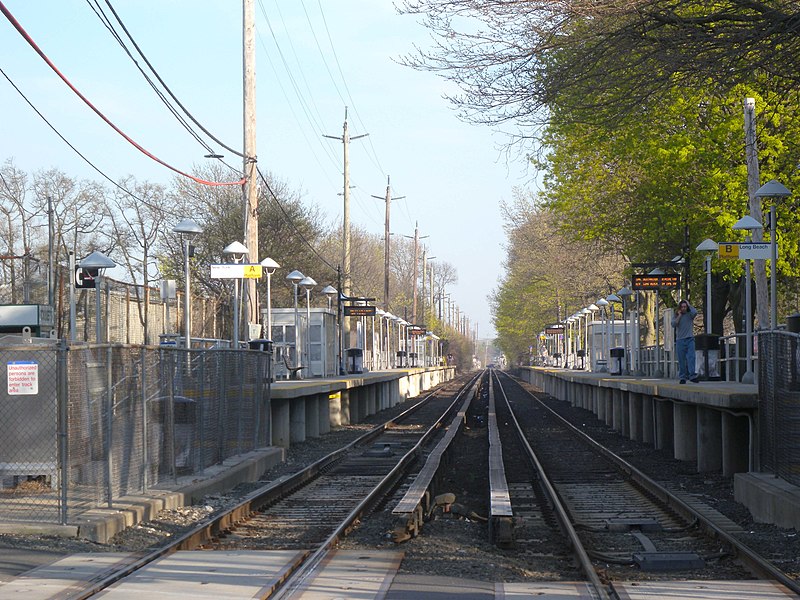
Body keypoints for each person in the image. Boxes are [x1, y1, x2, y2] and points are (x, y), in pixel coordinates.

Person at [672, 299, 699, 383]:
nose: (683, 308)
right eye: (682, 307)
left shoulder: (690, 314)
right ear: (680, 308)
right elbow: (674, 324)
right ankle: (683, 377)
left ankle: (692, 376)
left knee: (691, 357)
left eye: (685, 307)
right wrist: (679, 316)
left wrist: (689, 304)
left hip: (690, 339)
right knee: (681, 359)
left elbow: (695, 312)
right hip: (680, 340)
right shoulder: (676, 316)